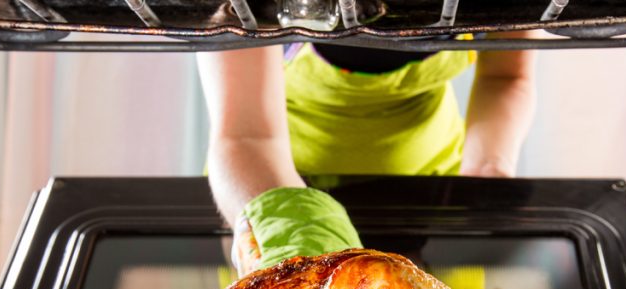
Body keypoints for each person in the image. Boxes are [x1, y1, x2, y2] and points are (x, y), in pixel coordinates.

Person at [197, 34, 536, 276]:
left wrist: (486, 171)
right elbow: (246, 136)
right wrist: (293, 247)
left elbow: (505, 76)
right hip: (272, 191)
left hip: (434, 189)